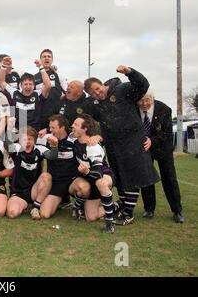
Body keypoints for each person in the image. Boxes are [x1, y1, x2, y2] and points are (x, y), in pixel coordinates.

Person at [84, 66, 160, 225]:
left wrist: (130, 72)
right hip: (113, 146)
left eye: (97, 89)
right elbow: (91, 116)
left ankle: (128, 214)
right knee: (120, 179)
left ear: (103, 84)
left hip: (132, 143)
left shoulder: (122, 90)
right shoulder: (95, 104)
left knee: (132, 178)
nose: (97, 93)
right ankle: (124, 208)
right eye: (93, 93)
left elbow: (143, 85)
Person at [137, 91, 184, 223]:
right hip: (144, 149)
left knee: (169, 178)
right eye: (141, 100)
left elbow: (167, 133)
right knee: (147, 179)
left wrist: (152, 140)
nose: (144, 104)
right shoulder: (134, 110)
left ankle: (177, 211)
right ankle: (149, 209)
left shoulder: (164, 110)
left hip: (163, 147)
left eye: (147, 100)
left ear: (153, 99)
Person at [69, 114, 116, 234]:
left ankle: (110, 222)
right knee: (90, 217)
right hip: (88, 178)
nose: (72, 126)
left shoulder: (93, 147)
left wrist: (87, 171)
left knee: (100, 183)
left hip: (101, 176)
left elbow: (99, 174)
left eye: (76, 124)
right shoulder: (74, 138)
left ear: (84, 129)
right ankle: (77, 207)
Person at [5, 126, 57, 219]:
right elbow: (7, 146)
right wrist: (9, 130)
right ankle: (23, 205)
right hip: (18, 192)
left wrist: (54, 147)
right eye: (24, 139)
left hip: (35, 190)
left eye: (30, 139)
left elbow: (52, 156)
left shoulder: (39, 149)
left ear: (35, 140)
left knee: (46, 176)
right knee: (12, 213)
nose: (27, 142)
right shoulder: (17, 148)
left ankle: (36, 207)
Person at [37, 115, 79, 219]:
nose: (50, 130)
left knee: (84, 190)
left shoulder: (74, 139)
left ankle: (81, 204)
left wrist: (98, 137)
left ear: (63, 127)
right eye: (49, 127)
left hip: (72, 181)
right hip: (56, 182)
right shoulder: (46, 138)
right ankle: (63, 200)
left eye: (53, 128)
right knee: (44, 214)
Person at [0, 56, 51, 133]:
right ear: (21, 85)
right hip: (17, 131)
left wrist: (41, 67)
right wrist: (4, 66)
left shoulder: (38, 94)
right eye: (25, 84)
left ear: (34, 86)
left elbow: (48, 85)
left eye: (30, 84)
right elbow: (1, 81)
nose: (28, 86)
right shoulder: (14, 93)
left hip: (33, 132)